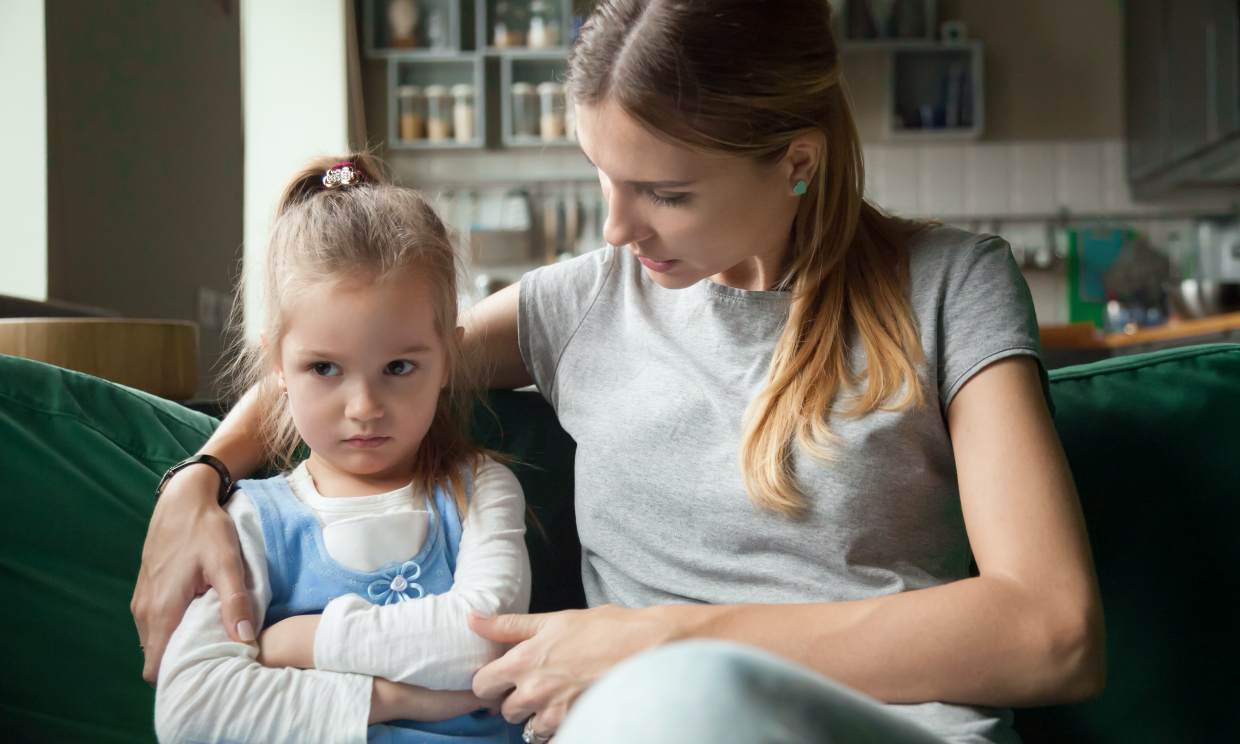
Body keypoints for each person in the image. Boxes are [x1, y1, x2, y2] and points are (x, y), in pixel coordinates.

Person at [134, 2, 1105, 742]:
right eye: (604, 176)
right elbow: (357, 365)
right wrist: (199, 478)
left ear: (796, 162)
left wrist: (668, 641)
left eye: (666, 193)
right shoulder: (583, 303)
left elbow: (1052, 629)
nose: (616, 228)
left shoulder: (949, 285)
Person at [151, 155, 530, 743]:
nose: (364, 407)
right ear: (277, 365)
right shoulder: (252, 518)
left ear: (448, 359)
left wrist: (304, 642)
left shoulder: (479, 490)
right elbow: (191, 709)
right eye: (324, 368)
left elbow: (485, 637)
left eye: (399, 366)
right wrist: (398, 700)